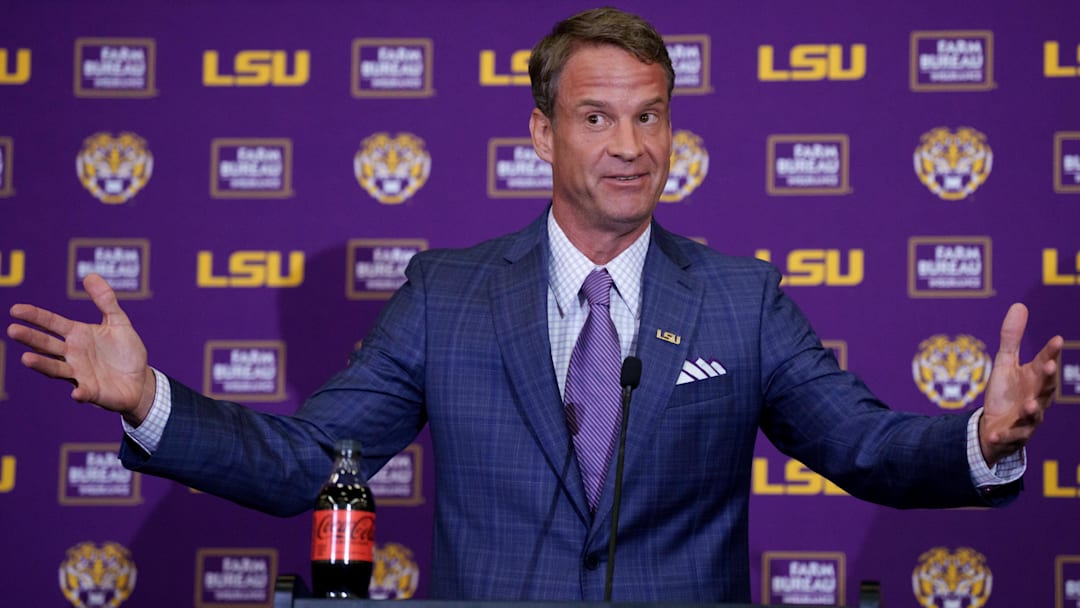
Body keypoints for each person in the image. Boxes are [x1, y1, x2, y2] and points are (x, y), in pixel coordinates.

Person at [7, 7, 1063, 603]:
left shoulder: (741, 298)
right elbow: (307, 462)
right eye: (596, 117)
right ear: (540, 134)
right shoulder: (449, 295)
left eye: (651, 116)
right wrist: (150, 400)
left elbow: (865, 446)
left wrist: (977, 438)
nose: (630, 146)